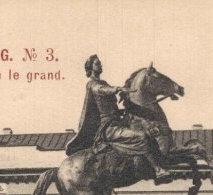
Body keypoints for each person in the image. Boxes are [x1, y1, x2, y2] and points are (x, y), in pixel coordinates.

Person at [66, 54, 173, 184]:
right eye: (97, 64)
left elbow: (110, 107)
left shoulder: (103, 82)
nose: (100, 65)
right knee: (141, 136)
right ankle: (158, 170)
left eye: (100, 63)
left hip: (116, 122)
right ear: (91, 68)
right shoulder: (93, 84)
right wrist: (116, 89)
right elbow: (101, 90)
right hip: (109, 128)